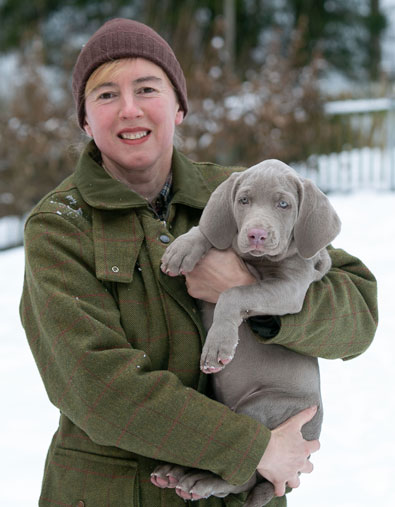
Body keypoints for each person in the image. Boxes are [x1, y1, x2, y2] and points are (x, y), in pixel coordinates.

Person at [20, 18, 378, 507]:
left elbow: (357, 316)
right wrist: (257, 449)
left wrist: (259, 302)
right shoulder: (60, 227)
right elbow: (98, 390)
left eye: (147, 88)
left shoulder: (243, 194)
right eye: (105, 95)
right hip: (112, 493)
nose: (129, 109)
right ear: (84, 119)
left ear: (179, 107)